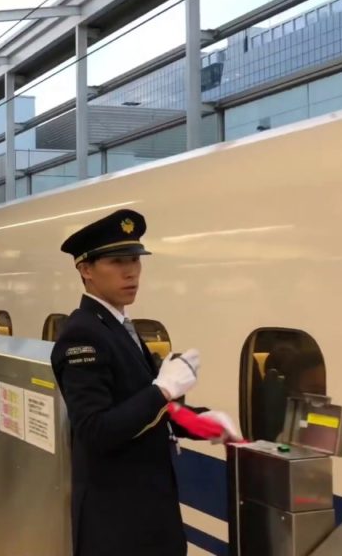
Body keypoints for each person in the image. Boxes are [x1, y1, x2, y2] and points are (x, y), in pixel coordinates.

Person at [50, 209, 240, 556]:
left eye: (136, 260)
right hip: (116, 525)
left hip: (149, 516)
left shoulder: (120, 327)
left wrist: (199, 422)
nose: (131, 272)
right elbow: (95, 430)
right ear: (86, 269)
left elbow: (152, 411)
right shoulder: (82, 335)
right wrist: (163, 388)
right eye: (118, 261)